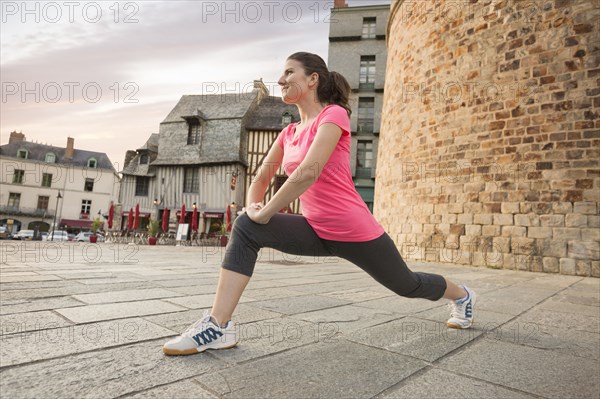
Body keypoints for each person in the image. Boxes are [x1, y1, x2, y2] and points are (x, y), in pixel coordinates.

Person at [163, 52, 477, 356]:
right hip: (316, 230)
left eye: (289, 72)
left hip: (355, 232)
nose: (280, 79)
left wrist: (267, 212)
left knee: (406, 285)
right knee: (246, 226)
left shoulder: (333, 115)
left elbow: (306, 174)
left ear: (313, 79)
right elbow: (259, 179)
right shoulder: (288, 133)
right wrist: (253, 208)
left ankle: (462, 295)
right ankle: (219, 326)